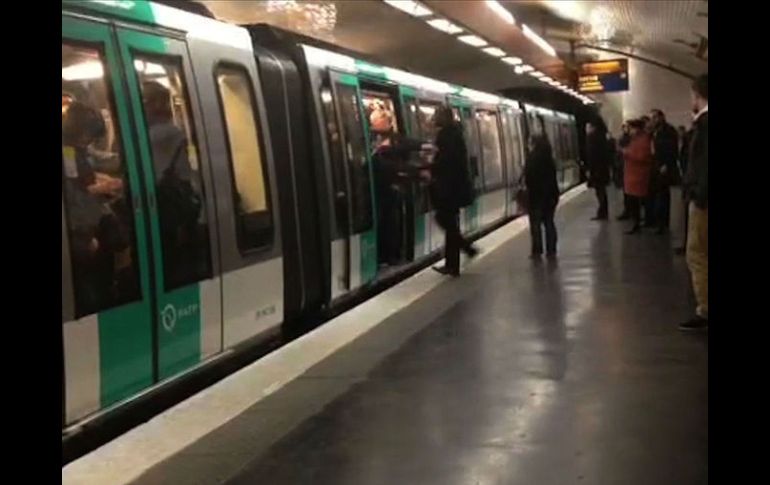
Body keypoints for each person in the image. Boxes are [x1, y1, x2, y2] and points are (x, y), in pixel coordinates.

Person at [369, 105, 423, 266]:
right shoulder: (370, 139)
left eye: (380, 121)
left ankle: (391, 254)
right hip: (377, 187)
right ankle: (384, 254)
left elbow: (410, 145)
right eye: (375, 121)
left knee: (391, 221)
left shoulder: (396, 140)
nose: (376, 124)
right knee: (384, 221)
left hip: (391, 187)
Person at [429, 105, 478, 276]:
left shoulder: (446, 136)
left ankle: (465, 249)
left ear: (444, 118)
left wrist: (431, 166)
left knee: (446, 222)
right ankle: (453, 263)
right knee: (450, 224)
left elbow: (445, 162)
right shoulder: (456, 134)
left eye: (437, 115)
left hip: (448, 189)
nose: (434, 119)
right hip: (455, 188)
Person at [679, 74, 708, 332]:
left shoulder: (704, 125)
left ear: (698, 95)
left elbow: (702, 165)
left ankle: (705, 310)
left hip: (704, 202)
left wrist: (698, 195)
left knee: (696, 253)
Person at [523, 134, 560, 258]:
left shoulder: (531, 159)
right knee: (549, 223)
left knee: (536, 225)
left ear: (534, 144)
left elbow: (529, 178)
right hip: (550, 197)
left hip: (536, 197)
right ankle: (551, 249)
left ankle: (537, 250)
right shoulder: (549, 158)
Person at [650, 109, 680, 234]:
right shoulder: (655, 131)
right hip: (656, 165)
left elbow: (672, 149)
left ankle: (662, 223)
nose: (652, 120)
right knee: (659, 194)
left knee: (662, 195)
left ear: (661, 117)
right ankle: (659, 221)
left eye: (654, 117)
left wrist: (666, 164)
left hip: (664, 166)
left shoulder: (669, 131)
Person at [621, 119, 653, 234]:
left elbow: (642, 156)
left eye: (631, 128)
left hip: (638, 175)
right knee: (634, 200)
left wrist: (626, 153)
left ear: (637, 129)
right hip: (633, 174)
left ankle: (637, 224)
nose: (629, 131)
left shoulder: (643, 140)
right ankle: (637, 223)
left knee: (636, 201)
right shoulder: (635, 139)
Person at [584, 117, 611, 220]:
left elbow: (591, 156)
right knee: (602, 191)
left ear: (593, 127)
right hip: (602, 169)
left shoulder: (592, 138)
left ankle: (602, 213)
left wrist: (589, 170)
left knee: (599, 191)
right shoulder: (602, 136)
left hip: (596, 170)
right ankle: (603, 211)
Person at [616, 123, 632, 219]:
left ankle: (628, 211)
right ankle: (628, 210)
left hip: (626, 167)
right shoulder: (628, 138)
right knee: (627, 191)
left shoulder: (628, 139)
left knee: (628, 192)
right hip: (624, 167)